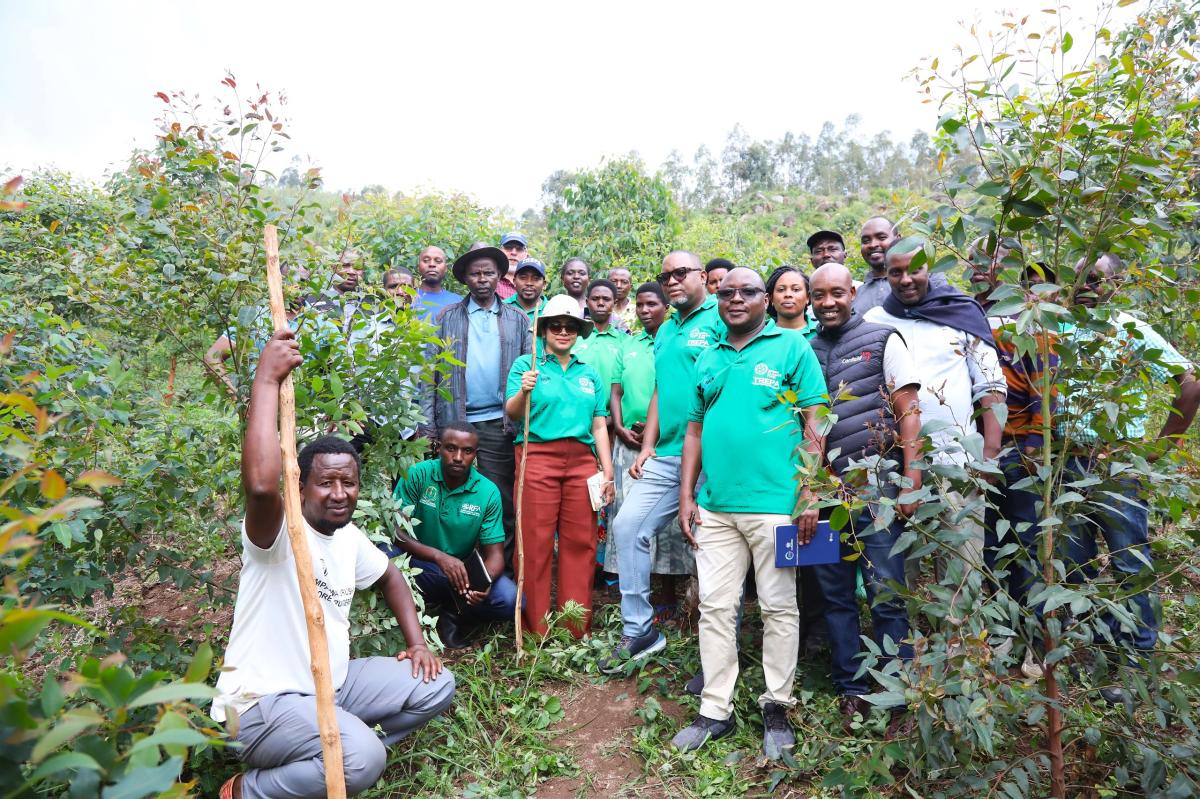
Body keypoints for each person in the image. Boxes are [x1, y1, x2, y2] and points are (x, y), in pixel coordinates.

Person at [215, 329, 453, 799]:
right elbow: (261, 488)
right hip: (261, 704)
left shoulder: (348, 537)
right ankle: (249, 790)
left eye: (349, 482)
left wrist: (418, 642)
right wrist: (266, 379)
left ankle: (338, 751)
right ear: (300, 484)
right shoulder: (279, 533)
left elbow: (390, 576)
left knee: (436, 684)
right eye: (327, 483)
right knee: (365, 759)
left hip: (332, 687)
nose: (340, 494)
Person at [672, 267, 827, 758]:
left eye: (747, 292)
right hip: (716, 507)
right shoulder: (708, 355)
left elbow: (815, 419)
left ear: (766, 300)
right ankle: (715, 709)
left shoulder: (792, 346)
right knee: (716, 608)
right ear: (717, 299)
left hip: (778, 507)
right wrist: (686, 494)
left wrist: (809, 492)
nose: (736, 299)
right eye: (727, 292)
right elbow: (694, 431)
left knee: (780, 607)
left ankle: (777, 704)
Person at [1058, 253, 1199, 703]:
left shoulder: (1130, 329)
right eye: (1079, 277)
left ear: (1117, 284)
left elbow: (1189, 384)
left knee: (1129, 562)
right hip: (1064, 467)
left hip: (1116, 466)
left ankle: (1138, 660)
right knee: (1073, 565)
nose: (1086, 286)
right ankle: (1090, 651)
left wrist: (1156, 452)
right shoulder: (1055, 328)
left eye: (1096, 279)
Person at [807, 263, 923, 734]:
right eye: (820, 295)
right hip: (822, 495)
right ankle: (851, 687)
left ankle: (899, 692)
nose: (828, 302)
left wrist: (912, 479)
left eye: (837, 293)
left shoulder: (883, 338)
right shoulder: (803, 350)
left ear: (853, 293)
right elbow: (803, 425)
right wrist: (806, 495)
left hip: (878, 489)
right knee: (833, 596)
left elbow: (909, 409)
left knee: (886, 594)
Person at [600, 251, 725, 673]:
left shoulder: (720, 317)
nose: (672, 281)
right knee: (627, 525)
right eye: (665, 275)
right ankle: (640, 630)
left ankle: (717, 656)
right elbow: (660, 390)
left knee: (713, 548)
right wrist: (649, 443)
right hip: (669, 453)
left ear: (704, 277)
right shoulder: (668, 329)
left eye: (681, 273)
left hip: (714, 456)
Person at [865, 246, 1006, 596]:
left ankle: (962, 649)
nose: (906, 279)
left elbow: (990, 386)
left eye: (914, 269)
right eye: (895, 272)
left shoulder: (961, 314)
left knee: (962, 567)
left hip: (957, 462)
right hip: (894, 468)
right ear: (886, 275)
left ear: (931, 268)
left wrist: (989, 452)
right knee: (900, 573)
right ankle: (907, 647)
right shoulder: (875, 321)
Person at [968, 241, 1056, 679]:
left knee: (1024, 547)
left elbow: (1045, 388)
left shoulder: (1028, 320)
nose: (984, 271)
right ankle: (1003, 629)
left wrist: (1037, 451)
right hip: (976, 451)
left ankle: (1035, 643)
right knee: (990, 547)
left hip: (1021, 450)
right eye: (977, 263)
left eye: (995, 264)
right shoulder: (965, 314)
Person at [505, 295, 616, 637]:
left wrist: (607, 470)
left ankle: (573, 628)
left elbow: (599, 425)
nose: (563, 332)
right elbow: (512, 413)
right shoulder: (527, 365)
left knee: (580, 543)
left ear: (579, 331)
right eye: (556, 325)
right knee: (535, 543)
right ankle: (535, 629)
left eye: (570, 326)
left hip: (582, 462)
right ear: (544, 330)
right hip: (537, 457)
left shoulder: (590, 374)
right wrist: (524, 391)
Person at [419, 246, 532, 568]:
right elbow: (430, 375)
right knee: (449, 500)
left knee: (502, 500)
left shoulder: (517, 318)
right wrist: (428, 427)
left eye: (488, 273)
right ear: (465, 279)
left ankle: (498, 575)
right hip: (456, 422)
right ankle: (449, 573)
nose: (482, 279)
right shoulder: (446, 317)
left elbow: (528, 373)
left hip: (501, 423)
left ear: (499, 276)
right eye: (475, 273)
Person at [390, 421, 516, 649]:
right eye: (451, 448)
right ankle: (408, 621)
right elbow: (396, 532)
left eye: (467, 451)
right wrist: (439, 558)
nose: (458, 457)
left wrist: (483, 581)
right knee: (384, 555)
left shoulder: (487, 491)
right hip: (416, 562)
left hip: (461, 572)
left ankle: (454, 613)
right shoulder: (417, 474)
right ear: (438, 448)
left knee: (510, 599)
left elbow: (496, 554)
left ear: (475, 455)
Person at [605, 283, 692, 609]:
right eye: (639, 305)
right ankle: (634, 604)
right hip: (632, 441)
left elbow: (671, 389)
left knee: (670, 528)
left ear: (666, 306)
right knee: (630, 521)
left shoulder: (675, 339)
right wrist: (623, 429)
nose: (644, 310)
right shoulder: (628, 344)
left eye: (652, 304)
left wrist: (652, 434)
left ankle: (672, 599)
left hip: (672, 443)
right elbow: (617, 392)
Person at [572, 279, 627, 391]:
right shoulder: (572, 337)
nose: (600, 303)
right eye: (595, 299)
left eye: (606, 299)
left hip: (613, 408)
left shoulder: (626, 341)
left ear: (614, 303)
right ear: (587, 302)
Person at [765, 266, 818, 339]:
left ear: (808, 297)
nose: (788, 294)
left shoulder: (822, 332)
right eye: (781, 289)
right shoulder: (759, 334)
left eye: (796, 289)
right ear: (771, 298)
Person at [413, 245, 462, 323]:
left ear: (446, 268)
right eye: (426, 260)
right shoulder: (407, 298)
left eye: (438, 261)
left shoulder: (459, 302)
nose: (432, 264)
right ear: (418, 267)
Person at [498, 232, 528, 300]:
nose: (513, 253)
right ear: (500, 251)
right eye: (508, 248)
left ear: (526, 254)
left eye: (519, 249)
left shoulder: (533, 283)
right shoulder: (490, 280)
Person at [608, 267, 637, 331]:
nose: (618, 286)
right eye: (614, 281)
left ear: (630, 287)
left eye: (624, 282)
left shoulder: (637, 310)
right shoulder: (600, 308)